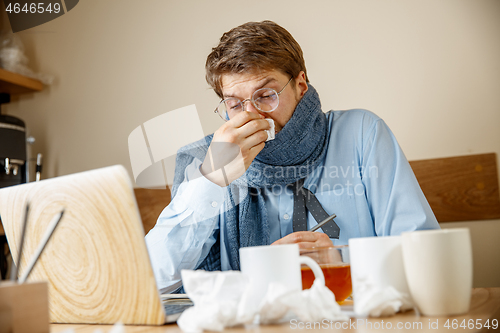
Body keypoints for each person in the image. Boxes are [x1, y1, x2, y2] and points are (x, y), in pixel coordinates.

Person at [145, 20, 439, 294]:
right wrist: (210, 179)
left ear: (300, 85)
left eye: (266, 95)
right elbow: (153, 280)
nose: (253, 116)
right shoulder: (206, 158)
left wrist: (343, 261)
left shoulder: (362, 134)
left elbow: (426, 258)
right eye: (235, 104)